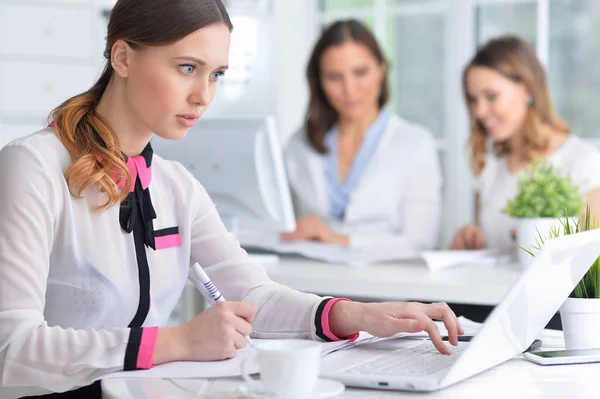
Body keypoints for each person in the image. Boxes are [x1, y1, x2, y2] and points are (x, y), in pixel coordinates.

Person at [0, 2, 463, 398]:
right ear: (122, 57)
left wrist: (357, 314)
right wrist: (176, 342)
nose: (203, 96)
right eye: (187, 68)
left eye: (216, 74)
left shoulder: (176, 185)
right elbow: (11, 348)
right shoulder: (32, 167)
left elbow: (254, 296)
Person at [282, 19, 442, 253]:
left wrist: (339, 239)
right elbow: (285, 223)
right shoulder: (300, 145)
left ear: (381, 70)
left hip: (386, 284)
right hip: (312, 284)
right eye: (335, 77)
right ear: (319, 81)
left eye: (360, 72)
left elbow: (419, 241)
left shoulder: (415, 143)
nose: (349, 90)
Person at [450, 35, 600, 254]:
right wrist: (475, 239)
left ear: (528, 89)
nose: (479, 112)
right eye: (474, 100)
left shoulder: (582, 162)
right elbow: (498, 248)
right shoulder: (492, 166)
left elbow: (593, 265)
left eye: (491, 96)